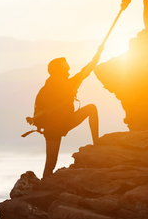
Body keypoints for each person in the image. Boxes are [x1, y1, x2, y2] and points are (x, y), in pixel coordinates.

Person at [27, 46, 103, 178]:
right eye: (66, 67)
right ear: (60, 71)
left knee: (50, 164)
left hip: (54, 128)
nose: (68, 69)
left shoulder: (47, 88)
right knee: (91, 108)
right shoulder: (68, 85)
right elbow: (86, 71)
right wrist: (98, 54)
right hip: (61, 124)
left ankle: (44, 185)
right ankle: (96, 142)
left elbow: (39, 109)